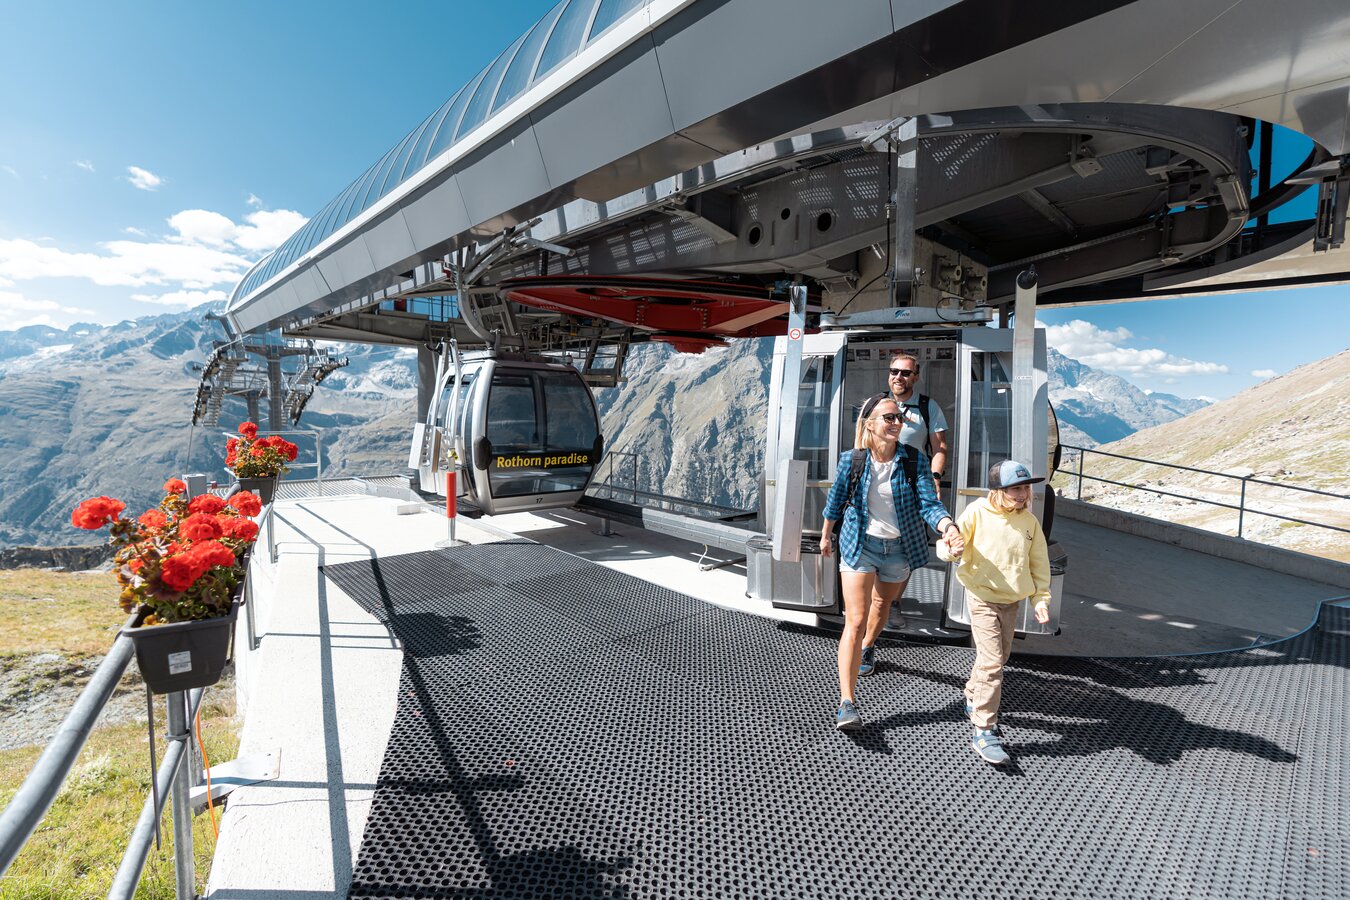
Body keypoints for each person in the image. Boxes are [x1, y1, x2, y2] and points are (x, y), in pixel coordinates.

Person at [820, 393, 963, 731]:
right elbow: (836, 501)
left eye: (900, 417)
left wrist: (948, 526)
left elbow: (929, 504)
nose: (897, 422)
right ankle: (847, 702)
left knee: (882, 604)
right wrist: (826, 536)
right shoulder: (852, 460)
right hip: (860, 544)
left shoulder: (913, 461)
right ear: (869, 423)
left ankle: (869, 646)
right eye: (889, 417)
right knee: (855, 619)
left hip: (899, 549)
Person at [940, 459, 1052, 765]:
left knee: (1000, 657)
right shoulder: (977, 512)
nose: (1023, 494)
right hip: (982, 598)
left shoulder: (1029, 522)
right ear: (998, 490)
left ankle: (972, 695)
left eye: (1025, 488)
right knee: (992, 664)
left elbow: (1039, 564)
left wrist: (1040, 600)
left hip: (1011, 600)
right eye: (1016, 488)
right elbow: (948, 544)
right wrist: (951, 549)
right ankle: (984, 729)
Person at [885, 351, 948, 499]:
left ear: (916, 377)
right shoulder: (876, 403)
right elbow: (862, 442)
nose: (898, 377)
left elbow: (939, 448)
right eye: (894, 371)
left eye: (906, 373)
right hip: (879, 479)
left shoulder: (928, 406)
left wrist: (935, 478)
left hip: (914, 481)